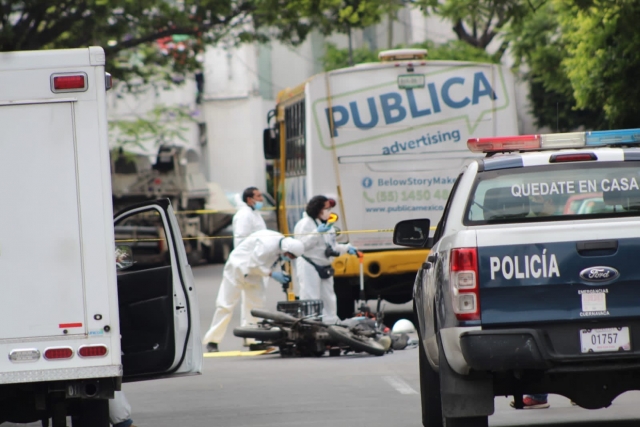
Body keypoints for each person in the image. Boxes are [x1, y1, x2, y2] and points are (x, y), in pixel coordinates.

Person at [202, 230, 304, 352]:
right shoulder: (267, 245)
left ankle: (254, 340)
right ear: (287, 249)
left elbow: (264, 263)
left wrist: (276, 273)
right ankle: (212, 341)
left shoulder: (281, 246)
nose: (289, 259)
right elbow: (252, 263)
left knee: (256, 307)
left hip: (255, 275)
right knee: (225, 305)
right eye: (290, 256)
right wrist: (272, 274)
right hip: (237, 269)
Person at [294, 195, 358, 324]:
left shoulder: (329, 226)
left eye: (330, 209)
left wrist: (346, 248)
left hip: (325, 265)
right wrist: (317, 233)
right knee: (311, 297)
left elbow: (332, 247)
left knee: (329, 297)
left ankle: (331, 323)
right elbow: (301, 246)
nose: (329, 212)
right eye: (326, 209)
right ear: (318, 209)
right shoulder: (305, 224)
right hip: (309, 264)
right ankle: (311, 324)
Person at [232, 187, 268, 346]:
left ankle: (252, 337)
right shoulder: (244, 215)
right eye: (258, 196)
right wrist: (250, 264)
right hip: (248, 264)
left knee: (254, 301)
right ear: (249, 199)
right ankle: (253, 338)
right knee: (252, 301)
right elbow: (242, 242)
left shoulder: (254, 214)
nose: (261, 199)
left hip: (256, 263)